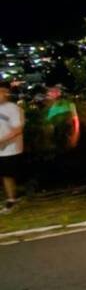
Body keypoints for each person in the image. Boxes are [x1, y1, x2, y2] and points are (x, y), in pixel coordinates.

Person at [0, 82, 24, 213]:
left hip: (10, 149)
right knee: (5, 175)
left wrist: (2, 140)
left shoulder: (12, 109)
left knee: (7, 175)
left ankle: (12, 200)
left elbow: (17, 129)